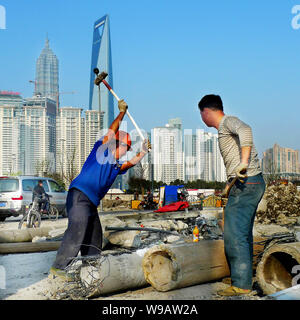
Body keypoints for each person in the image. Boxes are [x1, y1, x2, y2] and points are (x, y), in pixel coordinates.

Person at [50, 99, 151, 280]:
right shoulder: (101, 150)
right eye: (125, 147)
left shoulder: (115, 166)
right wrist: (121, 113)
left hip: (90, 203)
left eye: (128, 149)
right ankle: (59, 268)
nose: (126, 152)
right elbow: (111, 131)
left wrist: (142, 151)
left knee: (94, 236)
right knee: (77, 230)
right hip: (79, 196)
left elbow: (130, 163)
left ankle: (91, 268)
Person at [198, 94, 265, 296]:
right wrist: (229, 184)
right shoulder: (224, 129)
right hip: (244, 183)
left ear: (206, 112)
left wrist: (243, 163)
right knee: (241, 233)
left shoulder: (228, 122)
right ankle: (241, 276)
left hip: (248, 182)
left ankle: (242, 284)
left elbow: (246, 129)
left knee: (234, 235)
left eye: (201, 114)